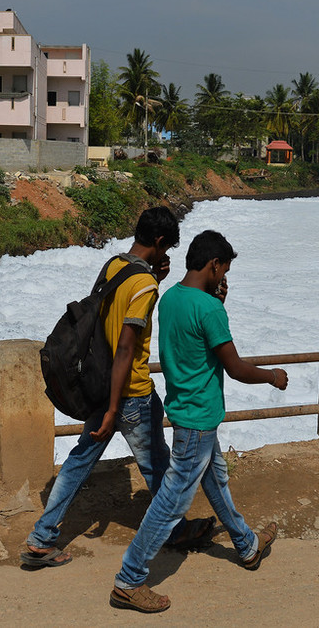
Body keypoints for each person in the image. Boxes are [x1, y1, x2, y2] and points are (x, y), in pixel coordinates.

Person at [22, 207, 213, 569]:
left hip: (103, 384)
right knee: (159, 466)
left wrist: (153, 275)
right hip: (130, 393)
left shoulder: (114, 266)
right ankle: (172, 532)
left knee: (79, 462)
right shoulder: (144, 286)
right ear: (158, 242)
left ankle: (42, 538)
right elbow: (126, 346)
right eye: (167, 246)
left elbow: (108, 320)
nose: (168, 253)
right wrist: (114, 409)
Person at [109, 230, 288, 613]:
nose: (224, 277)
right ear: (213, 265)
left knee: (216, 479)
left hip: (183, 409)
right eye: (223, 269)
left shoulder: (171, 297)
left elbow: (191, 341)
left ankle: (247, 546)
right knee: (171, 502)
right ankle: (129, 579)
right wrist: (272, 376)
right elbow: (235, 368)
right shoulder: (209, 309)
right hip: (199, 417)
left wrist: (214, 299)